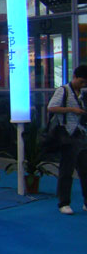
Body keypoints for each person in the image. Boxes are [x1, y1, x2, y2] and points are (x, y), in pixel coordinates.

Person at [47, 65, 87, 215]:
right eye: (81, 81)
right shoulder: (63, 90)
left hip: (80, 134)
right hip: (67, 136)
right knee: (66, 170)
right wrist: (72, 110)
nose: (83, 85)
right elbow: (51, 107)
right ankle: (64, 202)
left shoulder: (82, 93)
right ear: (74, 77)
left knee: (85, 170)